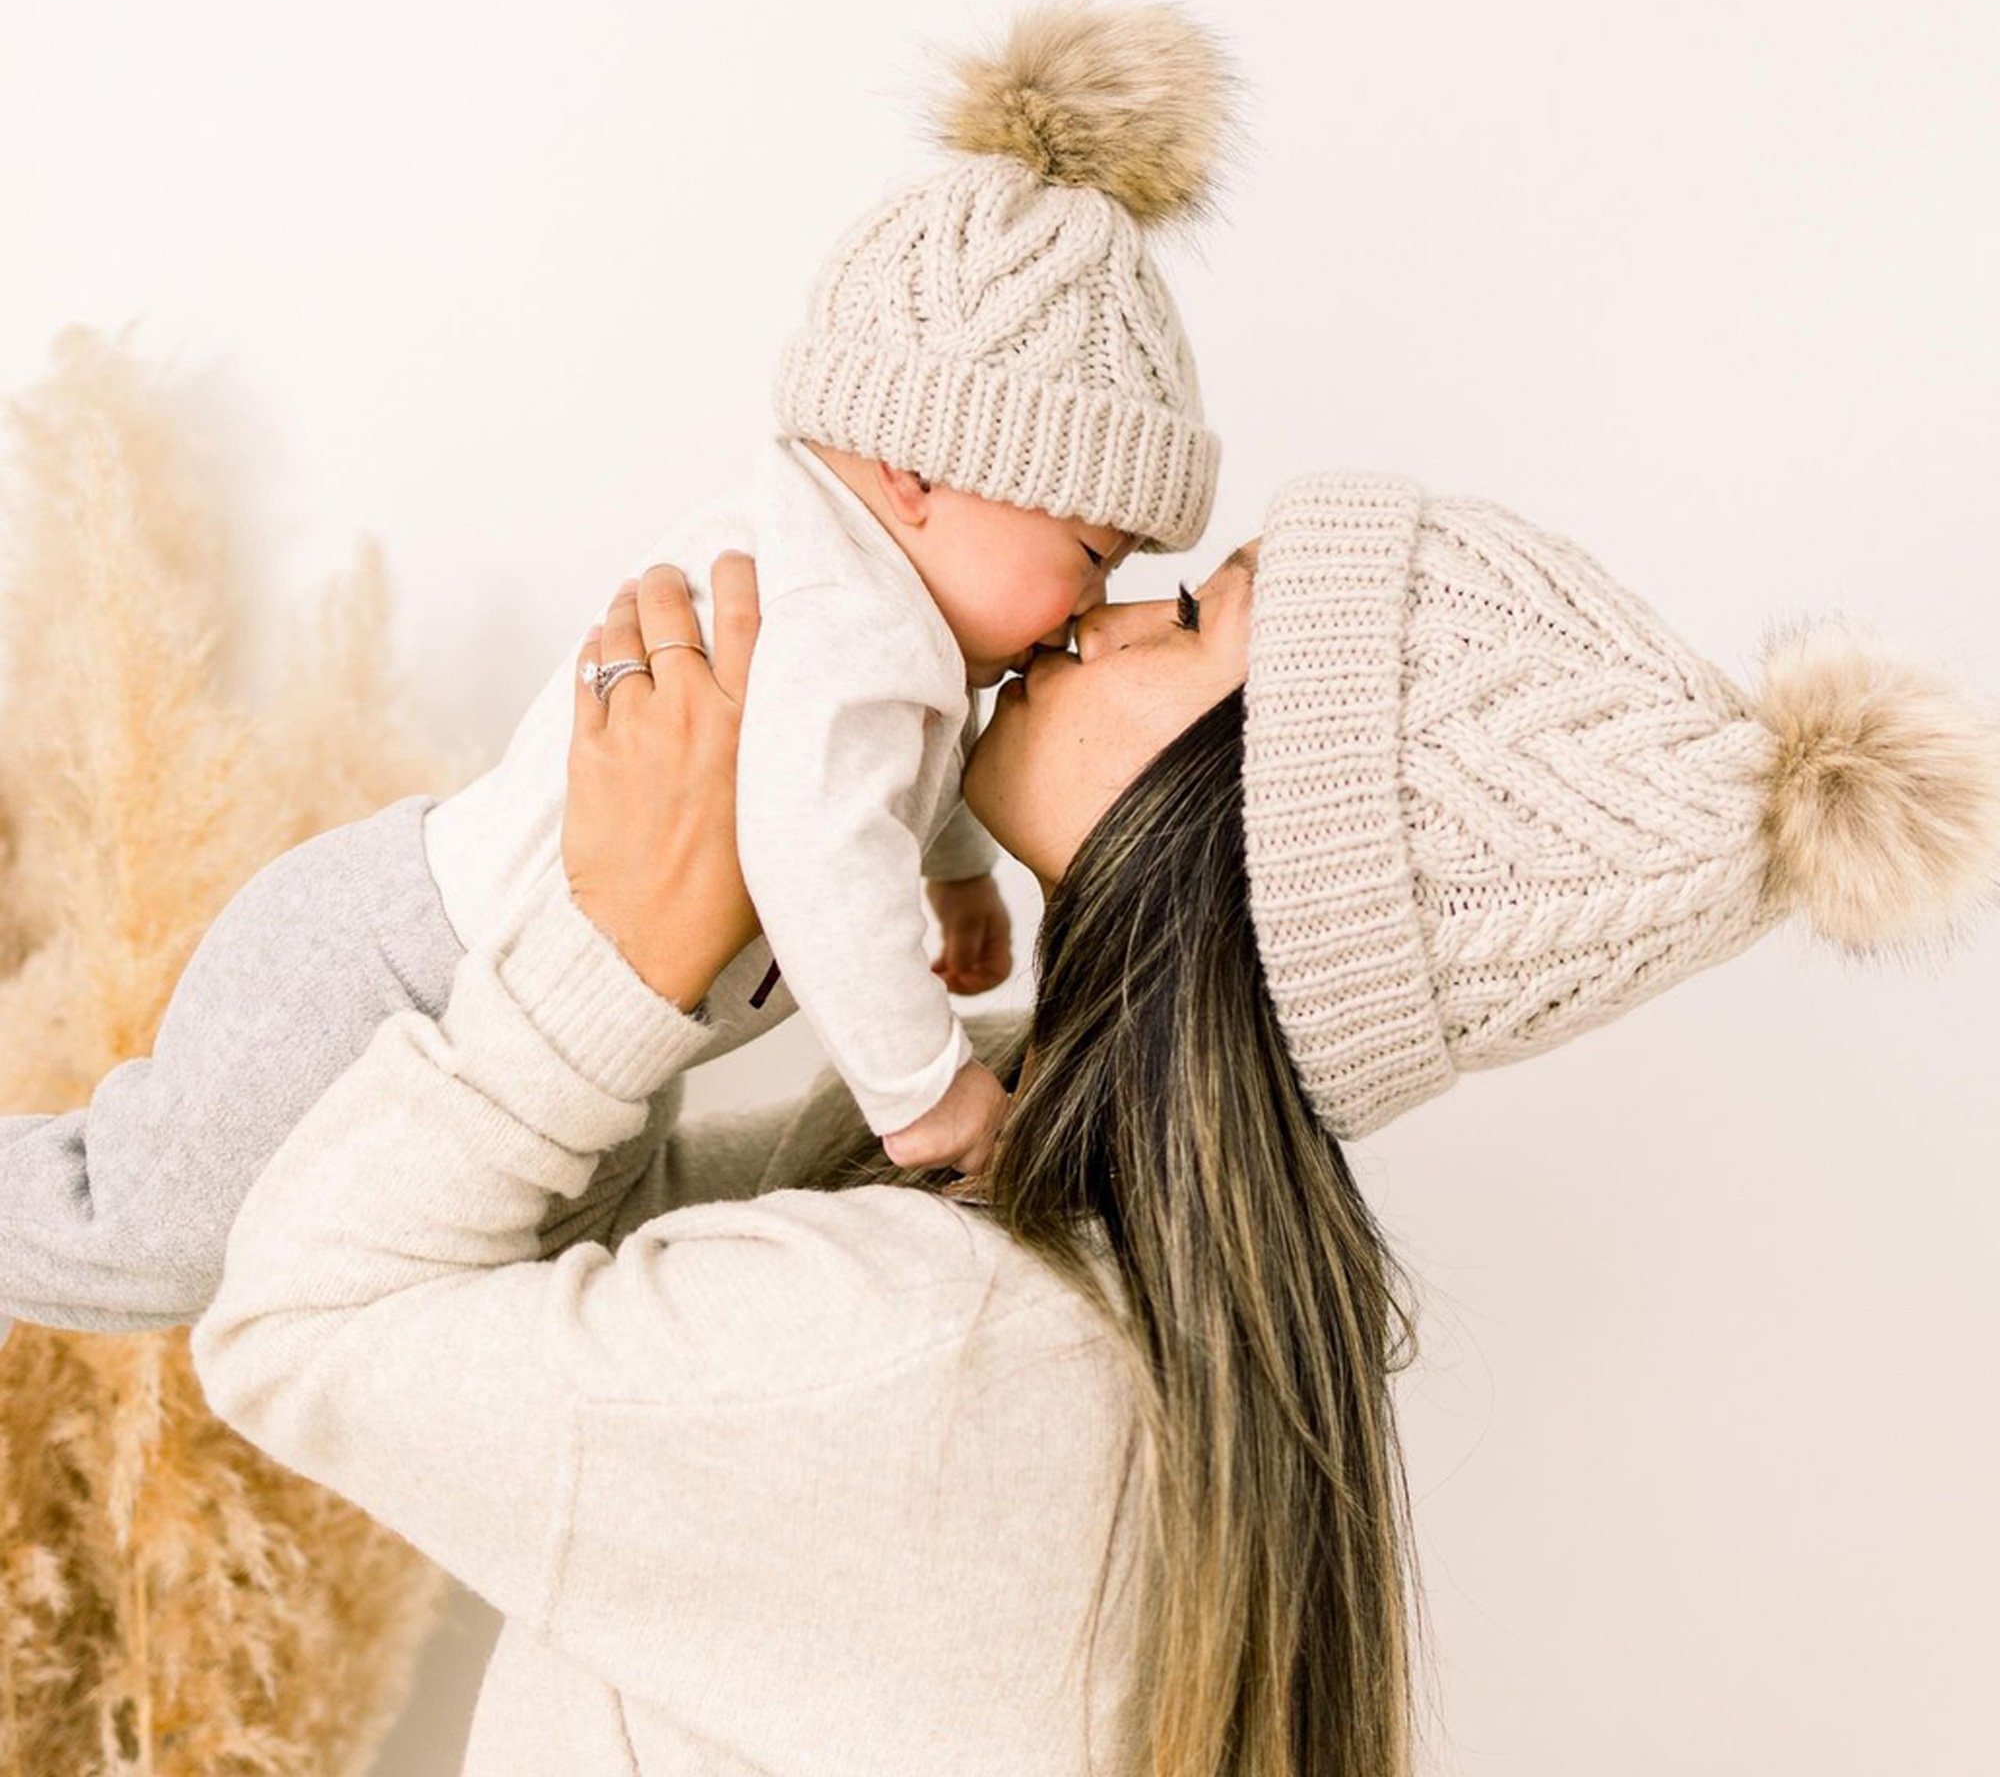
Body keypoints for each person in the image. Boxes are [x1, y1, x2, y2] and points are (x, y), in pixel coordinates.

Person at [193, 473, 1998, 1776]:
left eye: (1195, 615)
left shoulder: (932, 1345)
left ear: (1261, 837)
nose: (1102, 608)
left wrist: (613, 953)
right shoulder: (1074, 1282)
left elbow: (302, 1324)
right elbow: (595, 1273)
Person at [0, 0, 1233, 1352]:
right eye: (1090, 551)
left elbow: (885, 770)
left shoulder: (888, 623)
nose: (1091, 608)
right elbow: (820, 848)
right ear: (921, 469)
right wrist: (929, 1094)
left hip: (584, 1017)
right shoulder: (842, 622)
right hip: (393, 983)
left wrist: (952, 876)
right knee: (149, 1238)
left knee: (550, 1274)